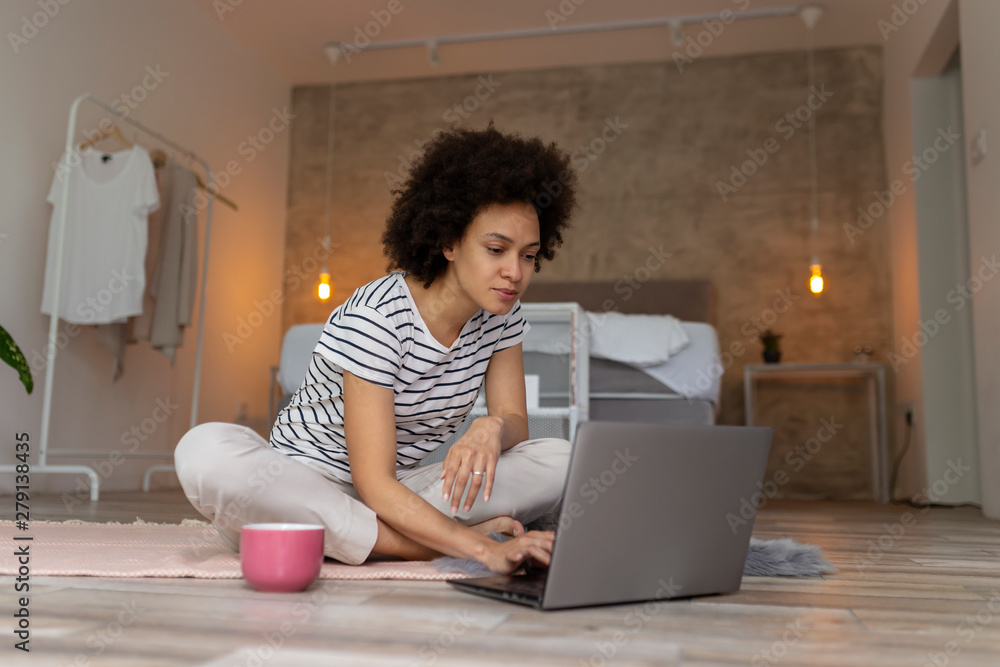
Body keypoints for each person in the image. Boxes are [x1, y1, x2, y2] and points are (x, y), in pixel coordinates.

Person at [175, 123, 578, 574]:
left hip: (401, 493)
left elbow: (515, 423)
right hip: (300, 490)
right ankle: (426, 545)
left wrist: (491, 427)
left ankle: (361, 541)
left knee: (558, 459)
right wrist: (479, 549)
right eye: (496, 249)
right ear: (449, 241)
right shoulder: (378, 317)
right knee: (205, 451)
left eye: (527, 255)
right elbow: (372, 482)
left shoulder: (503, 318)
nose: (515, 273)